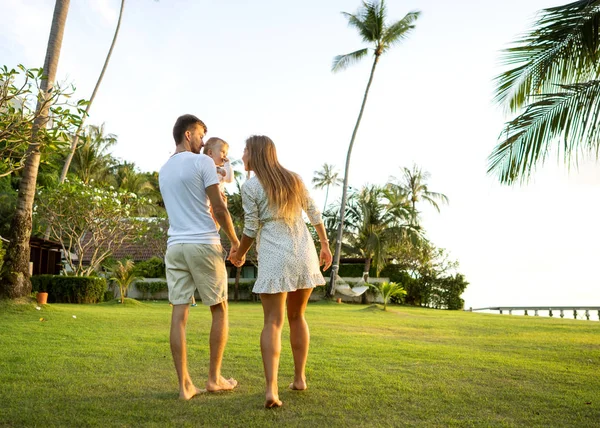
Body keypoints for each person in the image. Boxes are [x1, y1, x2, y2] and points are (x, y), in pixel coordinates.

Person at [229, 135, 332, 408]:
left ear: (257, 154)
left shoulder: (251, 186)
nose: (242, 155)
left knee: (273, 322)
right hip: (303, 250)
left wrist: (239, 254)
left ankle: (272, 391)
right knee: (298, 316)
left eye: (245, 150)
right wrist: (325, 245)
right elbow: (314, 213)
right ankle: (299, 379)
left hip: (276, 254)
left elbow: (251, 228)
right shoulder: (294, 179)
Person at [159, 114, 240, 400]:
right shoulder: (203, 162)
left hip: (175, 247)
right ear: (188, 134)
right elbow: (219, 208)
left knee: (178, 315)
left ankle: (185, 386)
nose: (204, 142)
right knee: (219, 309)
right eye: (201, 135)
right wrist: (235, 242)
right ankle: (214, 379)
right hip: (203, 244)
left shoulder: (163, 170)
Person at [203, 137, 234, 231]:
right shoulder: (203, 166)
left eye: (226, 153)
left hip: (219, 200)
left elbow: (229, 179)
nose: (225, 156)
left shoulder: (223, 170)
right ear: (210, 153)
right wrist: (217, 169)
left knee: (216, 224)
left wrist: (227, 165)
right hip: (207, 200)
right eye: (223, 152)